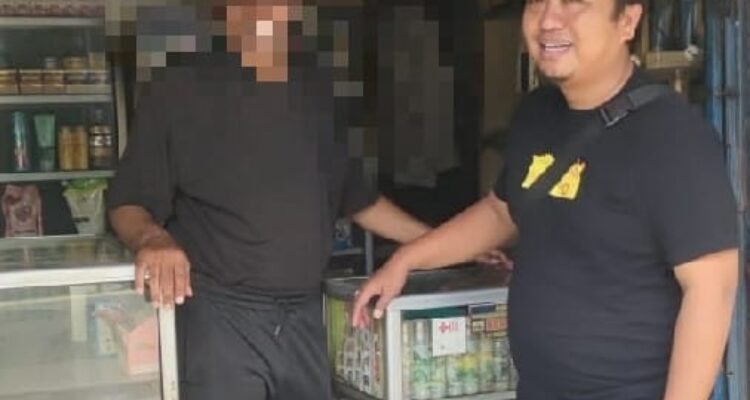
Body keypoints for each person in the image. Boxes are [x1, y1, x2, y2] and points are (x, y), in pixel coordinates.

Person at [352, 0, 739, 399]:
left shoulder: (672, 137)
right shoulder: (536, 115)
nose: (549, 20)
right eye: (537, 2)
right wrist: (407, 260)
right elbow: (501, 212)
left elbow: (712, 289)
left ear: (627, 20)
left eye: (574, 3)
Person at [107, 1, 446, 399]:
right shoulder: (178, 87)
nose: (264, 11)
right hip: (221, 322)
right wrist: (152, 239)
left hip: (304, 317)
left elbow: (360, 200)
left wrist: (445, 244)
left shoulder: (319, 90)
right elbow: (126, 201)